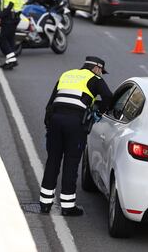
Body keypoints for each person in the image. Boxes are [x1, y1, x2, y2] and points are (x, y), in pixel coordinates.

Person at [40, 56, 113, 216]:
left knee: (53, 160)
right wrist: (99, 111)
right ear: (97, 68)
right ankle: (67, 206)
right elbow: (108, 97)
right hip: (75, 122)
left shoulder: (66, 75)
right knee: (71, 162)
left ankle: (45, 203)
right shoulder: (95, 78)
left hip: (55, 120)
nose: (101, 74)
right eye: (101, 71)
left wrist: (49, 125)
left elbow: (50, 103)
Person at [0, 0, 23, 70]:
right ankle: (9, 62)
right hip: (14, 18)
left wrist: (0, 16)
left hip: (10, 18)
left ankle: (12, 60)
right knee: (10, 39)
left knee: (2, 39)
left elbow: (9, 6)